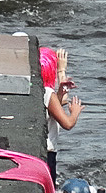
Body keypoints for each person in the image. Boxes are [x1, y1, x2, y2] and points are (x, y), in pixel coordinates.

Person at [40, 45, 81, 183]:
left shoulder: (39, 92)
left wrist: (62, 72)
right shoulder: (48, 93)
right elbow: (67, 124)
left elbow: (57, 103)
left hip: (40, 153)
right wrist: (74, 112)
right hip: (47, 154)